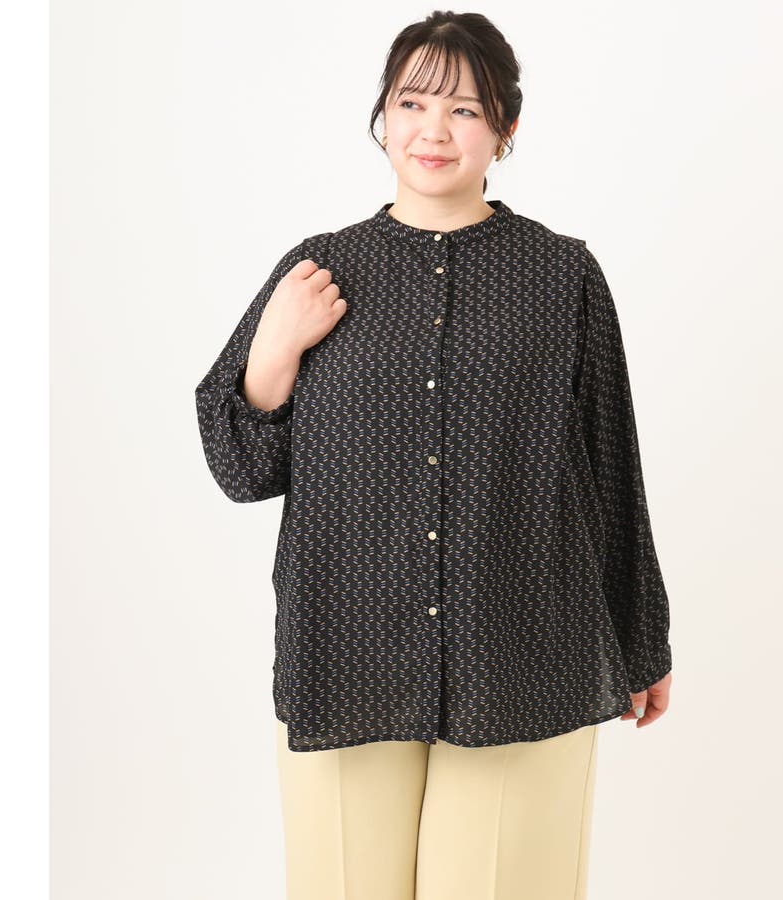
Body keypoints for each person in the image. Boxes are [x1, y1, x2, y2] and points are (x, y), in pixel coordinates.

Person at [194, 10, 672, 900]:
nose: (434, 130)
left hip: (527, 654)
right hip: (345, 652)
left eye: (464, 110)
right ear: (383, 115)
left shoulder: (562, 274)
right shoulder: (317, 270)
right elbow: (239, 466)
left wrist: (643, 640)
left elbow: (612, 465)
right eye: (412, 103)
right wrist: (276, 352)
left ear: (505, 128)